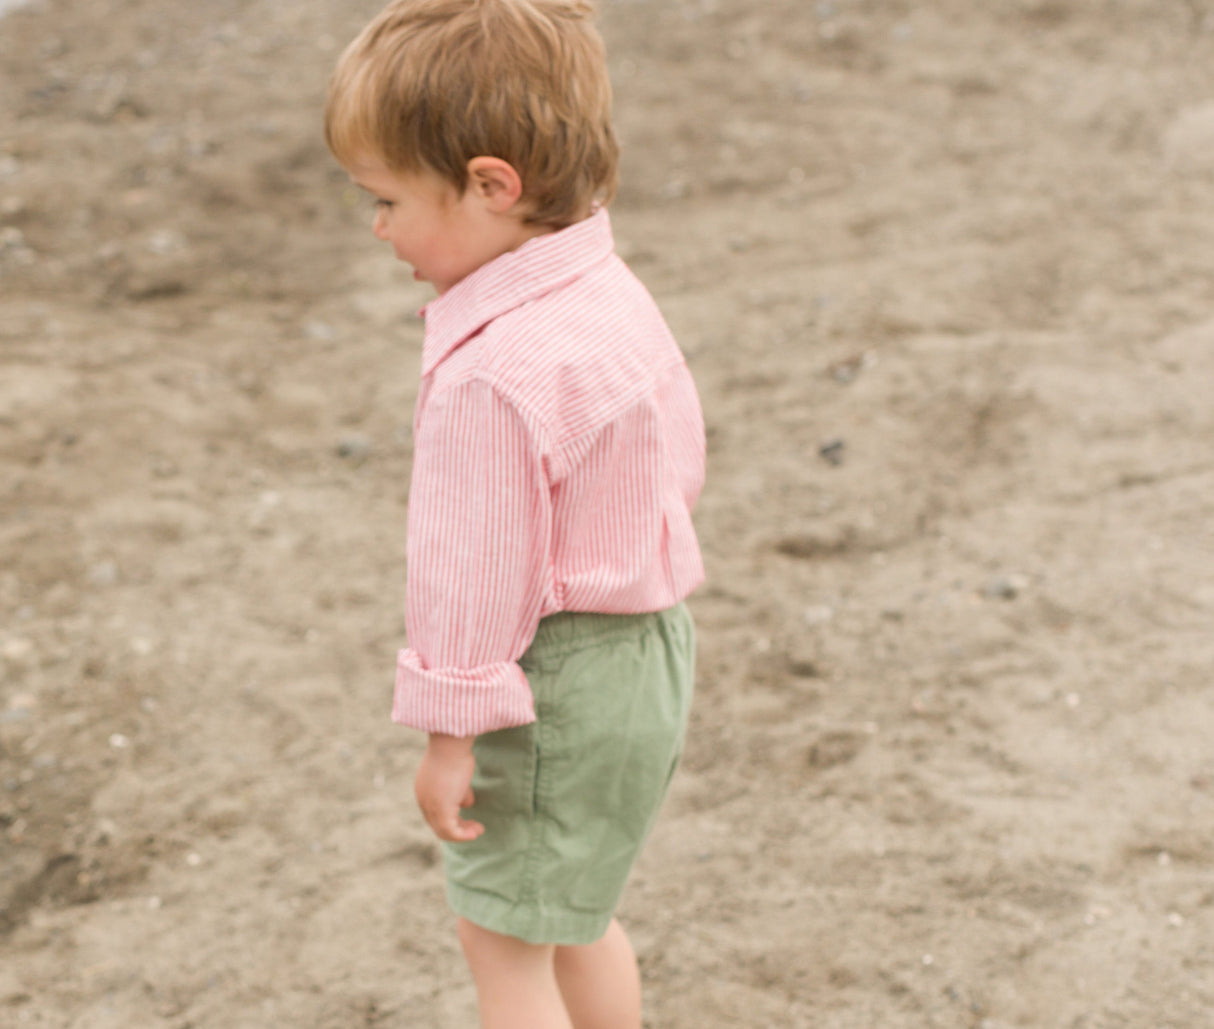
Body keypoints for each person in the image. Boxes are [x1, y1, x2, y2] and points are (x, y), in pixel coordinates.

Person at [323, 2, 705, 1025]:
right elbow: (678, 454)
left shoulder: (491, 374)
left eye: (388, 199)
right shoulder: (607, 290)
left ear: (492, 186)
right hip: (647, 655)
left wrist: (450, 733)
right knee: (573, 913)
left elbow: (472, 571)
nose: (378, 226)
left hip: (556, 681)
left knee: (502, 944)